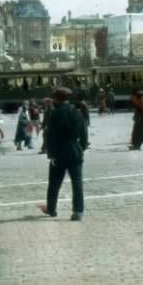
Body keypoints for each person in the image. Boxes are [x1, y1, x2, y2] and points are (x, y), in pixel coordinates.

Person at [38, 88, 89, 221]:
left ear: (56, 98)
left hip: (59, 152)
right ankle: (78, 212)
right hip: (75, 151)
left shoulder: (54, 114)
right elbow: (84, 136)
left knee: (54, 183)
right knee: (77, 183)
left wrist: (51, 154)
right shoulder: (77, 113)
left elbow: (50, 136)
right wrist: (80, 148)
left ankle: (52, 209)